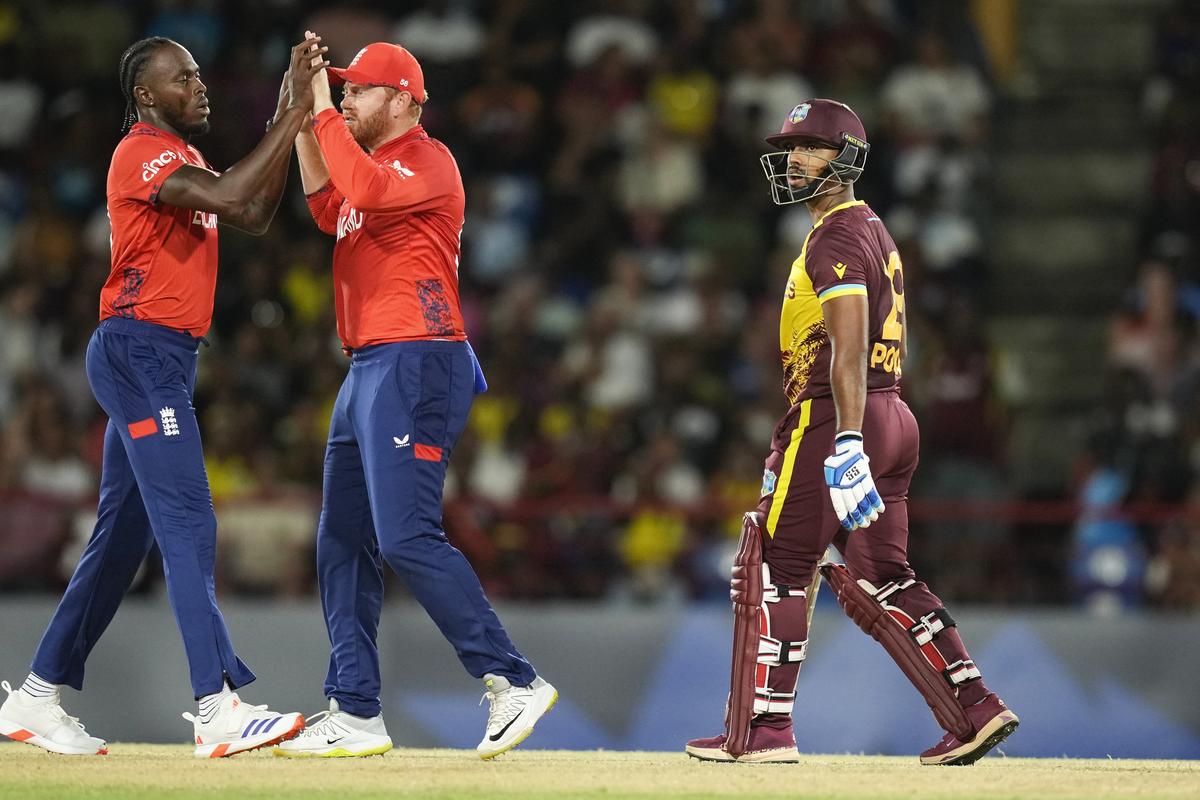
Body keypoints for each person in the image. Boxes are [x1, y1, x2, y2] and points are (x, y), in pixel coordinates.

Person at [0, 34, 329, 758]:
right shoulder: (141, 150)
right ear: (146, 95)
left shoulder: (188, 160)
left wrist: (290, 110)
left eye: (201, 74)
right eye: (182, 78)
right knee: (189, 518)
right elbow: (234, 195)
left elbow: (253, 212)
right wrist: (296, 109)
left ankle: (36, 696)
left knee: (122, 539)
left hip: (164, 359)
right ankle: (217, 705)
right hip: (138, 351)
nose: (200, 85)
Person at [684, 99, 1019, 765]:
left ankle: (761, 732)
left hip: (837, 416)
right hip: (892, 414)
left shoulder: (835, 236)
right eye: (791, 148)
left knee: (774, 563)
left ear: (848, 157)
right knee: (883, 577)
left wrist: (845, 441)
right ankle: (974, 707)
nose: (795, 159)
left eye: (811, 147)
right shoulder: (869, 227)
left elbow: (848, 345)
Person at [275, 36, 557, 760]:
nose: (346, 98)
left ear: (403, 98)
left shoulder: (427, 161)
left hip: (417, 357)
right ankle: (355, 708)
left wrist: (317, 113)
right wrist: (310, 122)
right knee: (341, 541)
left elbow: (361, 191)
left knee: (404, 535)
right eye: (341, 89)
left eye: (358, 90)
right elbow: (326, 208)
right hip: (368, 364)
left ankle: (511, 677)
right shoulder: (366, 163)